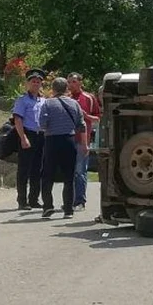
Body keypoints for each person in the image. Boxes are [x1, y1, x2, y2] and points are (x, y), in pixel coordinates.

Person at [38, 77, 86, 219]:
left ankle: (47, 206)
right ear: (66, 89)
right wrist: (84, 144)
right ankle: (68, 209)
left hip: (52, 140)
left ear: (53, 89)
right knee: (68, 176)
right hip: (69, 140)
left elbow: (43, 123)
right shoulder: (74, 104)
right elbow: (81, 125)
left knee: (47, 175)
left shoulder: (47, 104)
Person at [12, 68, 46, 210]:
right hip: (28, 134)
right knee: (24, 169)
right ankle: (22, 200)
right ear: (28, 83)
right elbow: (17, 120)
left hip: (41, 136)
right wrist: (23, 137)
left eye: (38, 82)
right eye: (33, 81)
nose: (36, 84)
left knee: (37, 169)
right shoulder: (22, 100)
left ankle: (33, 199)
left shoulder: (44, 101)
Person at [67, 72, 100, 211]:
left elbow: (98, 118)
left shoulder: (89, 98)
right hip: (67, 139)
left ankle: (80, 201)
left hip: (82, 139)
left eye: (73, 82)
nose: (71, 85)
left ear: (80, 82)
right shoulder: (66, 98)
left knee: (80, 171)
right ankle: (68, 199)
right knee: (68, 171)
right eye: (69, 82)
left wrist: (86, 115)